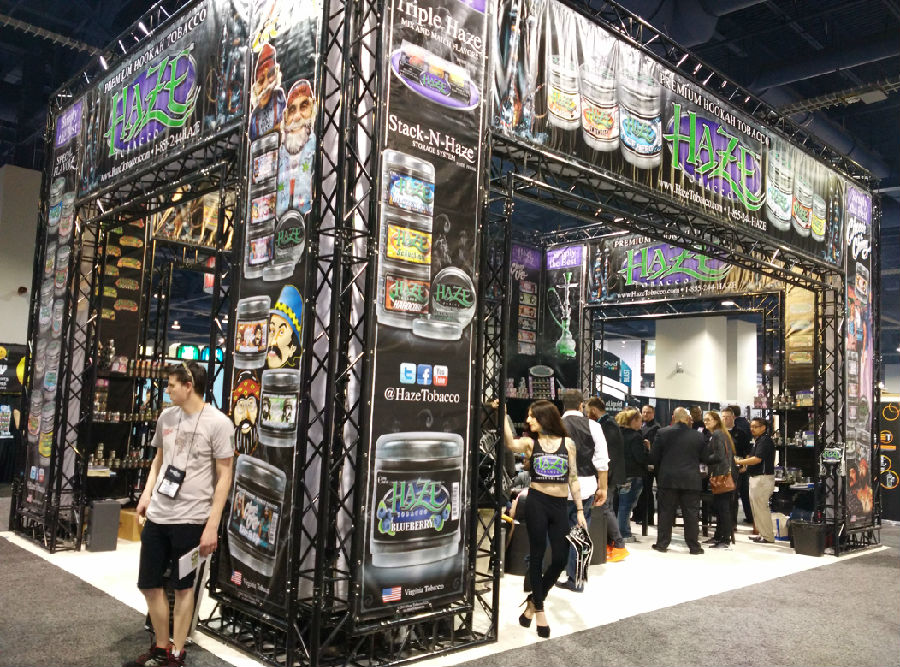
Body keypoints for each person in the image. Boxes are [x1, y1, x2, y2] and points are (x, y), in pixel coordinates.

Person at [125, 362, 234, 667]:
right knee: (148, 584)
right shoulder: (166, 417)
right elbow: (158, 461)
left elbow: (225, 476)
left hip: (192, 519)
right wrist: (147, 494)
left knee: (183, 587)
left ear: (189, 385)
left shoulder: (219, 423)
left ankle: (176, 652)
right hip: (159, 514)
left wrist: (212, 525)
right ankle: (161, 646)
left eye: (172, 385)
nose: (167, 390)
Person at [504, 400, 586, 638]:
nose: (528, 420)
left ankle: (532, 603)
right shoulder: (531, 443)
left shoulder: (568, 444)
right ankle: (540, 612)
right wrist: (503, 415)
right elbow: (510, 444)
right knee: (537, 556)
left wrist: (580, 510)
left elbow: (573, 478)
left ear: (544, 418)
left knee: (560, 559)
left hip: (559, 506)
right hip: (537, 503)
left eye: (532, 416)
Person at [557, 390, 610, 592]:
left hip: (558, 486)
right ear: (581, 405)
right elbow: (602, 461)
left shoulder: (555, 424)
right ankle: (576, 580)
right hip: (586, 485)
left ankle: (548, 572)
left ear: (563, 405)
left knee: (554, 532)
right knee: (579, 534)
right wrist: (603, 488)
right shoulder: (594, 426)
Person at [650, 407, 709, 555]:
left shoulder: (662, 433)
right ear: (688, 419)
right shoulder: (698, 436)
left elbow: (653, 457)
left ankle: (662, 544)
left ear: (673, 418)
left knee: (665, 513)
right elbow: (705, 457)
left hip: (668, 479)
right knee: (691, 514)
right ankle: (694, 547)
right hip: (691, 480)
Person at [276, 79, 316, 217]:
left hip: (307, 223)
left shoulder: (317, 146)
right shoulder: (278, 154)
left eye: (303, 107)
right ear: (286, 117)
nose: (297, 117)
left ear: (312, 108)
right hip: (280, 224)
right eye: (292, 110)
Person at [736, 417, 777, 544]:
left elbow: (757, 459)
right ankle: (762, 533)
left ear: (763, 427)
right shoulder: (758, 440)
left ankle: (768, 536)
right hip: (756, 478)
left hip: (762, 479)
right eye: (751, 426)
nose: (752, 429)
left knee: (761, 508)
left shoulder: (765, 440)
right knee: (756, 508)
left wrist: (740, 461)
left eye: (755, 427)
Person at [614, 408, 651, 542]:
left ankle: (619, 531)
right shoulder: (635, 437)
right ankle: (624, 533)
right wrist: (647, 449)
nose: (641, 423)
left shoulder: (618, 434)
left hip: (619, 474)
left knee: (619, 505)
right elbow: (640, 458)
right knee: (626, 506)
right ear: (634, 421)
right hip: (633, 475)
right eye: (640, 420)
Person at [702, 411, 737, 548]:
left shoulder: (717, 434)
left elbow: (719, 456)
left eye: (709, 419)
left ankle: (725, 540)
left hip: (722, 476)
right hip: (724, 475)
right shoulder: (721, 434)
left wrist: (704, 459)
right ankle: (718, 537)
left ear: (716, 421)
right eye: (705, 419)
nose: (706, 422)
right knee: (721, 507)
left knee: (723, 509)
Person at [249, 43, 286, 140]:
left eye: (270, 75)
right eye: (261, 80)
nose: (266, 85)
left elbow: (283, 124)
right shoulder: (254, 116)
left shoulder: (279, 97)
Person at [722, 407, 752, 525]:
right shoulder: (719, 433)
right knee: (724, 497)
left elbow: (747, 450)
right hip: (722, 469)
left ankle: (733, 523)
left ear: (733, 417)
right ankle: (725, 522)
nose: (725, 419)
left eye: (727, 417)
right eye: (723, 417)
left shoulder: (741, 433)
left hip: (738, 468)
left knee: (736, 496)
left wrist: (745, 465)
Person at [633, 404, 660, 525]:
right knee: (641, 491)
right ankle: (638, 514)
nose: (645, 414)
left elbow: (653, 446)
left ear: (653, 413)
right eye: (643, 412)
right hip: (641, 463)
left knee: (647, 491)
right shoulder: (641, 425)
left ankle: (648, 518)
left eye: (648, 412)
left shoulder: (655, 428)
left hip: (649, 463)